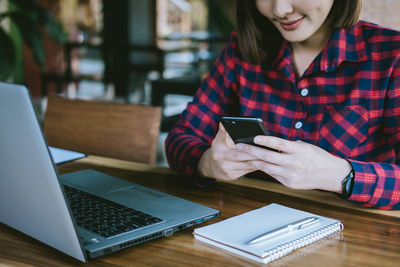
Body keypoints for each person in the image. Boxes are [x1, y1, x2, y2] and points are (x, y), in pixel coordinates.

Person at [165, 0, 400, 210]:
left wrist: (342, 175)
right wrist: (206, 164)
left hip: (356, 240)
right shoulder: (241, 49)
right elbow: (180, 137)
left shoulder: (391, 55)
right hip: (249, 228)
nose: (280, 10)